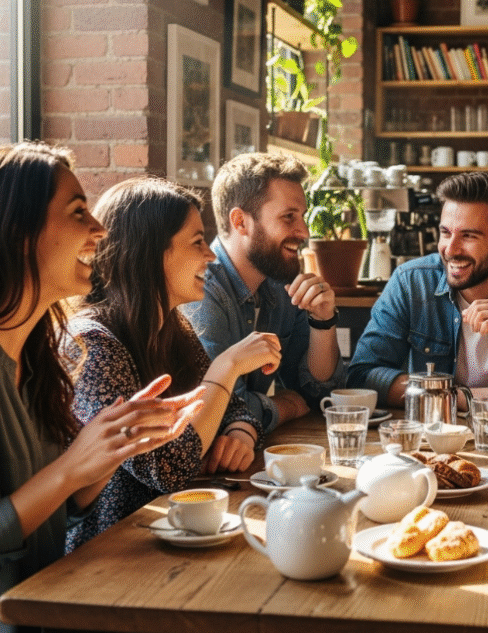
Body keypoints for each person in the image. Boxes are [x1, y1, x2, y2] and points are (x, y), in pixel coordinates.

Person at [0, 143, 202, 628]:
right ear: (21, 233)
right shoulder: (89, 338)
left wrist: (113, 446)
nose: (99, 230)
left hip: (57, 603)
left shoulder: (39, 358)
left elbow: (63, 509)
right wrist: (71, 468)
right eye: (77, 213)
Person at [65, 177, 282, 550]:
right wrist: (226, 367)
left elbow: (233, 409)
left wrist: (240, 434)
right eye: (198, 242)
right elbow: (170, 468)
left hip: (177, 536)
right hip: (107, 558)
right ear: (151, 253)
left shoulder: (173, 327)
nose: (211, 256)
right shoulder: (93, 346)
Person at [348, 172, 488, 411]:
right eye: (446, 232)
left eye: (468, 235)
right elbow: (362, 377)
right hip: (436, 438)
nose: (451, 249)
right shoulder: (411, 282)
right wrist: (456, 397)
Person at [182, 153, 344, 434]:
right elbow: (219, 410)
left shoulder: (280, 284)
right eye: (288, 217)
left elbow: (319, 394)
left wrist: (323, 321)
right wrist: (285, 406)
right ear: (241, 222)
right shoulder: (200, 289)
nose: (303, 231)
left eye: (302, 216)